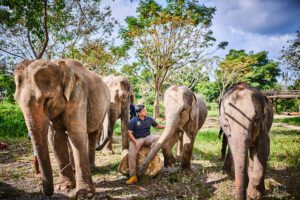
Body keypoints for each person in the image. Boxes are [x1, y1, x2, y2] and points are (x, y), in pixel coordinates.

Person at [126, 104, 165, 184]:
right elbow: (129, 133)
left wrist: (167, 126)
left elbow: (157, 126)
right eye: (144, 110)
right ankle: (133, 176)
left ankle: (152, 151)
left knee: (158, 138)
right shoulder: (133, 121)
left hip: (147, 138)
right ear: (139, 113)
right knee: (131, 155)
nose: (146, 111)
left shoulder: (149, 119)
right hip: (136, 139)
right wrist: (136, 142)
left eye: (145, 110)